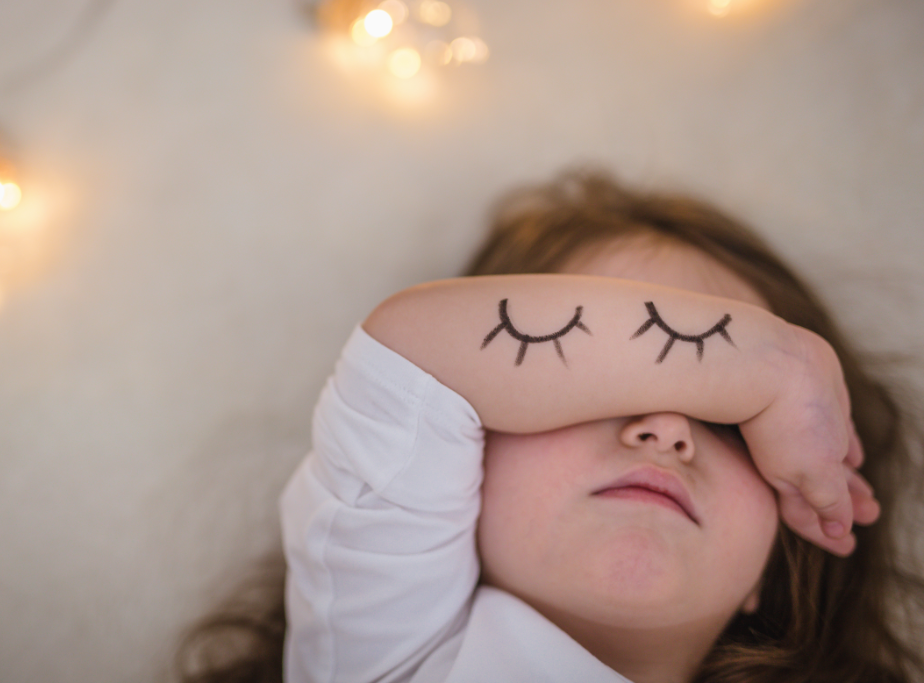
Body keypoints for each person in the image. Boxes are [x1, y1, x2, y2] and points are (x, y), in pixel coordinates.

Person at [175, 170, 924, 683]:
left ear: (774, 562)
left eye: (731, 418)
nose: (665, 431)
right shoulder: (389, 649)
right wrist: (780, 364)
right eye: (597, 393)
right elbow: (411, 360)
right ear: (457, 455)